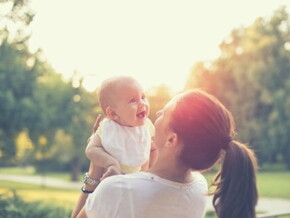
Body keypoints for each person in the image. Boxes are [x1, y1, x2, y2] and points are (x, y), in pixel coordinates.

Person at [74, 89, 258, 218]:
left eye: (164, 113)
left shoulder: (116, 189)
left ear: (171, 140)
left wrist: (95, 169)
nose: (156, 114)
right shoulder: (198, 187)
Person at [71, 76, 156, 218]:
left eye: (143, 97)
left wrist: (147, 175)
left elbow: (153, 150)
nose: (142, 103)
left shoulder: (146, 127)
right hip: (106, 183)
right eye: (133, 100)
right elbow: (91, 149)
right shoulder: (108, 128)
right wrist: (111, 163)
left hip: (133, 189)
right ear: (113, 113)